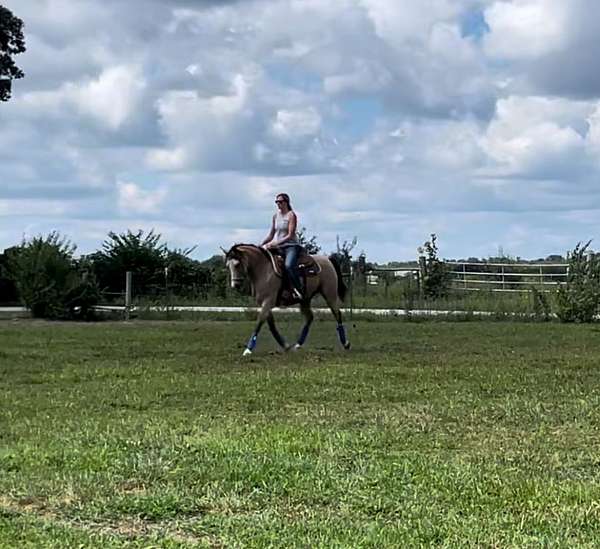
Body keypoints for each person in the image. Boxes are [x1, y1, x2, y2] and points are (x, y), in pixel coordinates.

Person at [260, 193, 304, 299]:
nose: (278, 204)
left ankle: (299, 290)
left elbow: (290, 235)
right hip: (279, 247)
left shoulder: (291, 215)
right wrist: (261, 245)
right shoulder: (275, 216)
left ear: (286, 202)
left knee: (289, 265)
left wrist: (276, 243)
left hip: (291, 246)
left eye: (280, 202)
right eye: (276, 202)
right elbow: (271, 235)